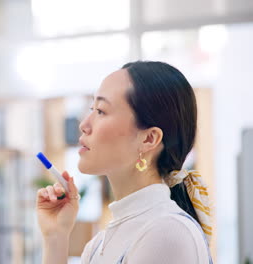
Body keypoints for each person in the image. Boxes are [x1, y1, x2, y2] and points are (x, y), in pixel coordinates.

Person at [36, 61, 213, 264]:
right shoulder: (99, 244)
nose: (84, 124)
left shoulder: (166, 232)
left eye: (101, 111)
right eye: (91, 108)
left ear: (149, 139)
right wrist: (56, 237)